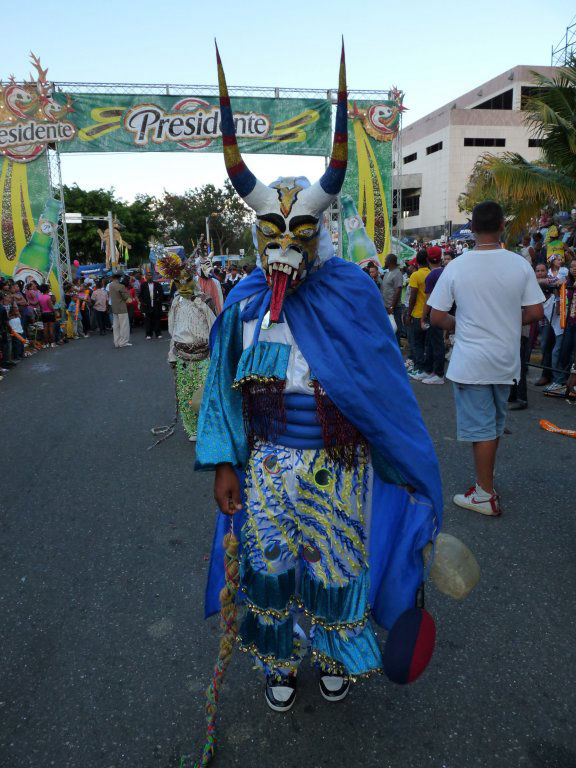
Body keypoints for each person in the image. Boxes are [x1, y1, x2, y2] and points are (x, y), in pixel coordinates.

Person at [196, 47, 442, 713]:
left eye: (297, 233)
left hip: (342, 460)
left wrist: (402, 458)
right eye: (271, 234)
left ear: (319, 230)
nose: (283, 250)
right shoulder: (246, 300)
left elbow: (383, 387)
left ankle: (335, 651)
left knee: (336, 563)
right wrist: (225, 464)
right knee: (270, 565)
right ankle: (280, 661)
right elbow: (222, 390)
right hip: (269, 460)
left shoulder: (354, 295)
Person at [429, 201, 544, 516]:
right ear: (503, 226)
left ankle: (484, 493)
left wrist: (458, 324)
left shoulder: (457, 266)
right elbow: (535, 312)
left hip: (472, 361)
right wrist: (505, 321)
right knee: (492, 426)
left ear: (473, 228)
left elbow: (437, 316)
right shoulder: (519, 263)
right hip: (506, 360)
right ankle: (486, 482)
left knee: (481, 430)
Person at [160, 254, 217, 441]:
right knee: (185, 396)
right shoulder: (176, 302)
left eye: (186, 281)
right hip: (182, 356)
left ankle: (206, 426)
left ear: (193, 281)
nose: (183, 285)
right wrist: (171, 355)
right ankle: (191, 429)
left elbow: (214, 327)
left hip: (203, 355)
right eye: (178, 281)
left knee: (204, 394)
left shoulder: (205, 301)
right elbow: (173, 330)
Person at [418, 246, 445, 384]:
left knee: (436, 344)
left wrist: (423, 317)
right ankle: (428, 370)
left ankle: (438, 374)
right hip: (445, 312)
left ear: (428, 259)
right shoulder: (446, 272)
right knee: (431, 342)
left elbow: (428, 300)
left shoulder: (431, 276)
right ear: (440, 258)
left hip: (434, 313)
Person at [405, 250, 430, 379]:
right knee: (427, 343)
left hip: (417, 314)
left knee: (417, 343)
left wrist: (408, 314)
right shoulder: (431, 274)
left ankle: (419, 369)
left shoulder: (415, 275)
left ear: (417, 261)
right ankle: (427, 369)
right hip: (429, 313)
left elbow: (412, 296)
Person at [380, 253, 404, 341]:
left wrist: (392, 306)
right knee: (389, 329)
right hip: (386, 307)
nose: (384, 262)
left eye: (386, 260)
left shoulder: (397, 273)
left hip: (394, 308)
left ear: (390, 261)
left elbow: (398, 291)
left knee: (395, 329)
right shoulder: (387, 273)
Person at [108, 273, 132, 348]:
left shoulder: (110, 285)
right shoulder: (121, 286)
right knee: (124, 326)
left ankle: (117, 342)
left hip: (114, 308)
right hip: (122, 309)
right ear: (119, 278)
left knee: (116, 327)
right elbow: (128, 299)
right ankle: (123, 342)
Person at [139, 273, 164, 339]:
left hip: (156, 305)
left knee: (157, 319)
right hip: (147, 305)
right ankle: (148, 334)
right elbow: (140, 295)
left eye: (150, 275)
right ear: (146, 277)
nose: (149, 277)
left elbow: (161, 294)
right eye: (148, 276)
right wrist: (143, 302)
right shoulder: (143, 285)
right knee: (148, 320)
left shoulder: (157, 285)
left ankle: (158, 333)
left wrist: (159, 299)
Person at [37, 284, 56, 348]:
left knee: (45, 329)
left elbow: (40, 307)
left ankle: (46, 343)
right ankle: (52, 343)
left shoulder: (39, 297)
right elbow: (51, 306)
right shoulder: (48, 297)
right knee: (51, 328)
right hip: (50, 313)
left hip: (43, 313)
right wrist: (54, 311)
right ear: (47, 289)